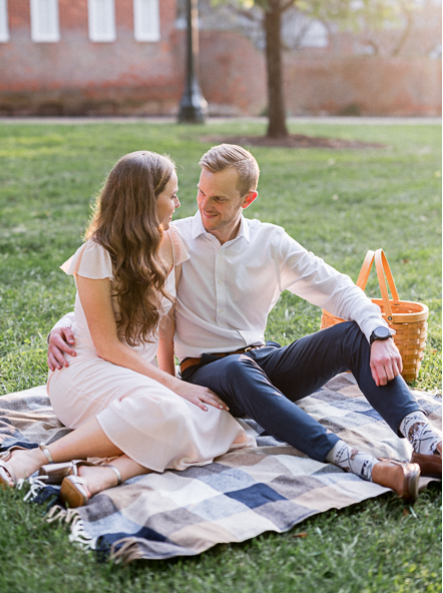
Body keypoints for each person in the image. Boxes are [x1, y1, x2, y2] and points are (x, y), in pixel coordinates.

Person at [49, 144, 437, 502]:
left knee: (353, 334)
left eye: (218, 198)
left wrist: (379, 332)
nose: (204, 205)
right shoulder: (173, 239)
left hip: (262, 363)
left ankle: (425, 443)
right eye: (201, 193)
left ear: (247, 199)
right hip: (208, 372)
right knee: (236, 367)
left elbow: (337, 287)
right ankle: (357, 461)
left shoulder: (271, 242)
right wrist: (63, 325)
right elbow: (112, 295)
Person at [0, 152, 252, 508]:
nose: (178, 203)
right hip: (85, 371)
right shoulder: (96, 254)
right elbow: (106, 345)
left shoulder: (172, 244)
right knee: (170, 412)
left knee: (215, 419)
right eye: (171, 195)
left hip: (136, 377)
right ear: (144, 200)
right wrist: (173, 387)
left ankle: (103, 474)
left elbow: (166, 327)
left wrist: (172, 380)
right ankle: (37, 458)